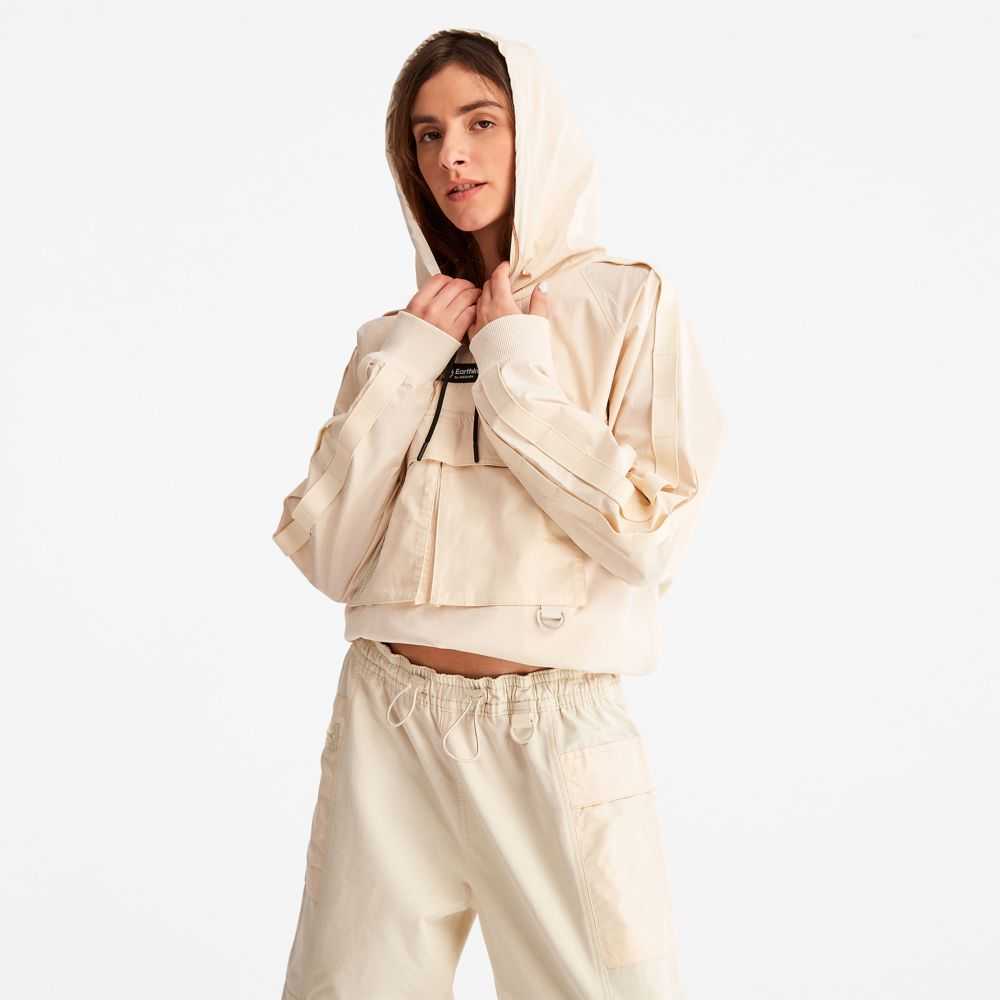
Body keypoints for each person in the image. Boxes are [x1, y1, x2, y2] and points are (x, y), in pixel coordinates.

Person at [272, 27, 727, 1000]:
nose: (453, 156)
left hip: (550, 731)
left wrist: (517, 367)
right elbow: (329, 559)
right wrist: (406, 363)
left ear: (538, 134)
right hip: (386, 719)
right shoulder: (400, 334)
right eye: (428, 134)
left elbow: (649, 537)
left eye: (481, 123)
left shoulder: (625, 305)